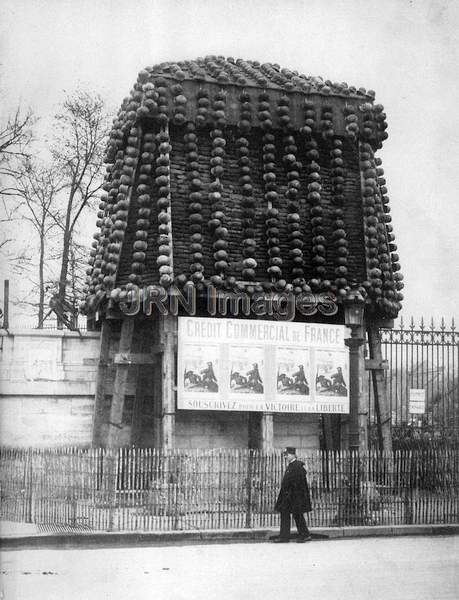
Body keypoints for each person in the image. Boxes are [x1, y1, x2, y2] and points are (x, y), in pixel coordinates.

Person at [273, 447, 312, 543]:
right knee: (285, 514)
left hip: (295, 496)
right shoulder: (291, 465)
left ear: (293, 454)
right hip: (288, 496)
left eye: (288, 454)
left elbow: (299, 483)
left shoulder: (297, 466)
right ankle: (284, 537)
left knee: (297, 515)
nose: (286, 456)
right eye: (285, 455)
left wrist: (293, 495)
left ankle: (305, 535)